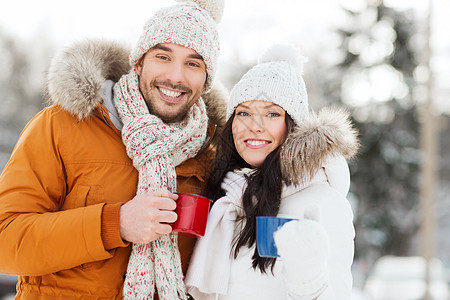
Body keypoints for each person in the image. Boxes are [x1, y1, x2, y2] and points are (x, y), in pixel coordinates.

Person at [0, 0, 228, 299]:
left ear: (206, 80)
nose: (175, 76)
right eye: (163, 56)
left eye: (193, 63)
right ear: (139, 62)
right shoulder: (62, 126)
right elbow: (6, 241)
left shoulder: (209, 154)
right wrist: (115, 224)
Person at [184, 44, 359, 299]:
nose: (254, 126)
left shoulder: (324, 201)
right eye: (243, 112)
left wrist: (309, 280)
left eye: (272, 114)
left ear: (293, 126)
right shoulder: (224, 197)